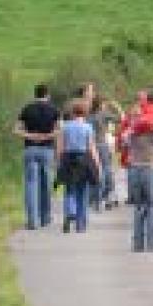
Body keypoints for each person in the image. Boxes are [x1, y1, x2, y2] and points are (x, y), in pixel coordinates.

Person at [13, 83, 59, 231]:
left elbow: (16, 130)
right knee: (46, 184)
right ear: (47, 95)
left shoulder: (27, 109)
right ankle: (45, 217)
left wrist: (31, 135)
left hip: (30, 149)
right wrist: (46, 136)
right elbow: (59, 130)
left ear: (35, 95)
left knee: (31, 184)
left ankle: (32, 220)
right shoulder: (54, 110)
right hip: (46, 150)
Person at [125, 102, 153, 252]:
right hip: (150, 169)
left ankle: (138, 244)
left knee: (139, 207)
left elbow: (125, 141)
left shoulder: (131, 135)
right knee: (152, 206)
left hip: (135, 169)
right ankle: (152, 244)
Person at [57, 99, 101, 233]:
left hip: (68, 158)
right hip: (83, 159)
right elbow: (91, 147)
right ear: (85, 112)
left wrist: (59, 162)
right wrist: (97, 163)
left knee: (69, 189)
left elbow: (60, 147)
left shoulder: (65, 127)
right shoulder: (88, 127)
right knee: (82, 191)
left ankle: (70, 212)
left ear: (72, 112)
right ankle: (80, 224)